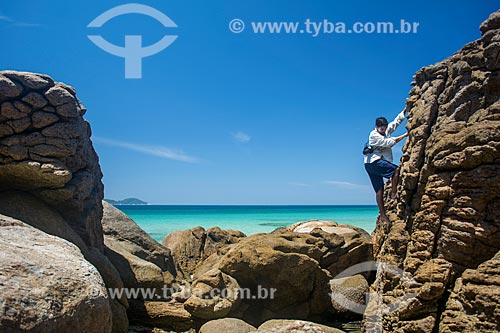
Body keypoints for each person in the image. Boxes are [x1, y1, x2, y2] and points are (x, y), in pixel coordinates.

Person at [364, 109, 408, 223]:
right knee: (396, 170)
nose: (383, 130)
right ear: (377, 127)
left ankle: (383, 216)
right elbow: (389, 142)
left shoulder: (385, 130)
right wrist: (405, 135)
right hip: (373, 163)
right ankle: (394, 193)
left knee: (380, 190)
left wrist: (404, 111)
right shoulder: (374, 135)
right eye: (381, 129)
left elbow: (395, 123)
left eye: (384, 128)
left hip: (369, 164)